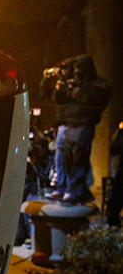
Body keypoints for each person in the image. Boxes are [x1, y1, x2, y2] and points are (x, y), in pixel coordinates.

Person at [41, 55, 113, 204]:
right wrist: (48, 79)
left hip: (82, 125)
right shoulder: (68, 84)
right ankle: (62, 188)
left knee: (78, 161)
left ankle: (75, 191)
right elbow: (50, 96)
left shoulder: (97, 84)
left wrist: (75, 88)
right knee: (61, 160)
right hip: (66, 125)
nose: (77, 73)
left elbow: (96, 96)